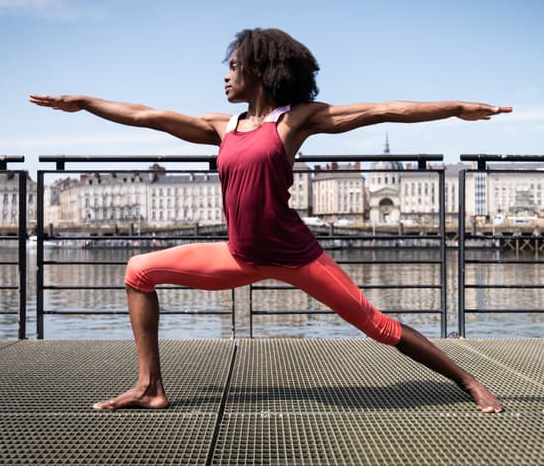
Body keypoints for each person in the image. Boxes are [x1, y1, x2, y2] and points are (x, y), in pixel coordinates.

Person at [30, 27, 511, 413]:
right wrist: (86, 103)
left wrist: (457, 109)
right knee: (139, 270)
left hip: (295, 256)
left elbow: (384, 110)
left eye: (235, 67)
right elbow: (147, 115)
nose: (226, 76)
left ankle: (468, 381)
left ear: (260, 71)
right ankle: (150, 386)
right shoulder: (223, 126)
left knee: (375, 324)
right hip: (240, 255)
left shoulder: (294, 120)